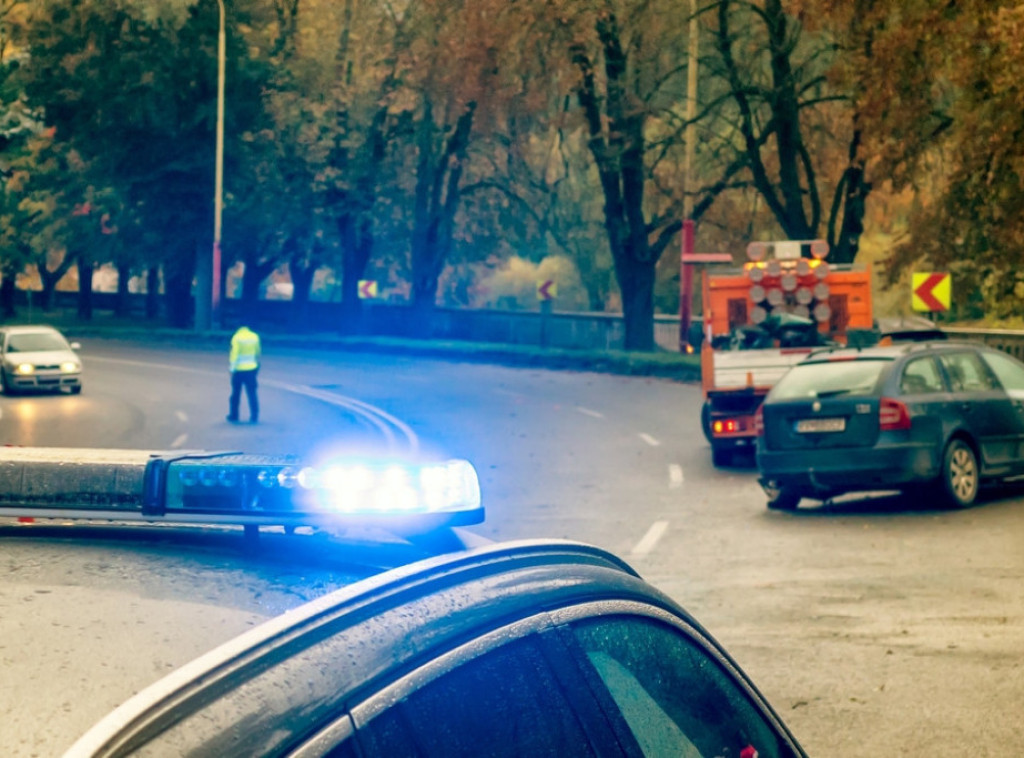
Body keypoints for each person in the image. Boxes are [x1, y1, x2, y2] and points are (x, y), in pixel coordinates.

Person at [227, 325, 261, 423]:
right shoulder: (255, 336)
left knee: (236, 394)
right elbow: (258, 352)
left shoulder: (236, 337)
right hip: (251, 369)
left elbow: (235, 354)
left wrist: (232, 369)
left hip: (238, 370)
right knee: (252, 393)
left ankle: (234, 415)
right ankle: (254, 416)